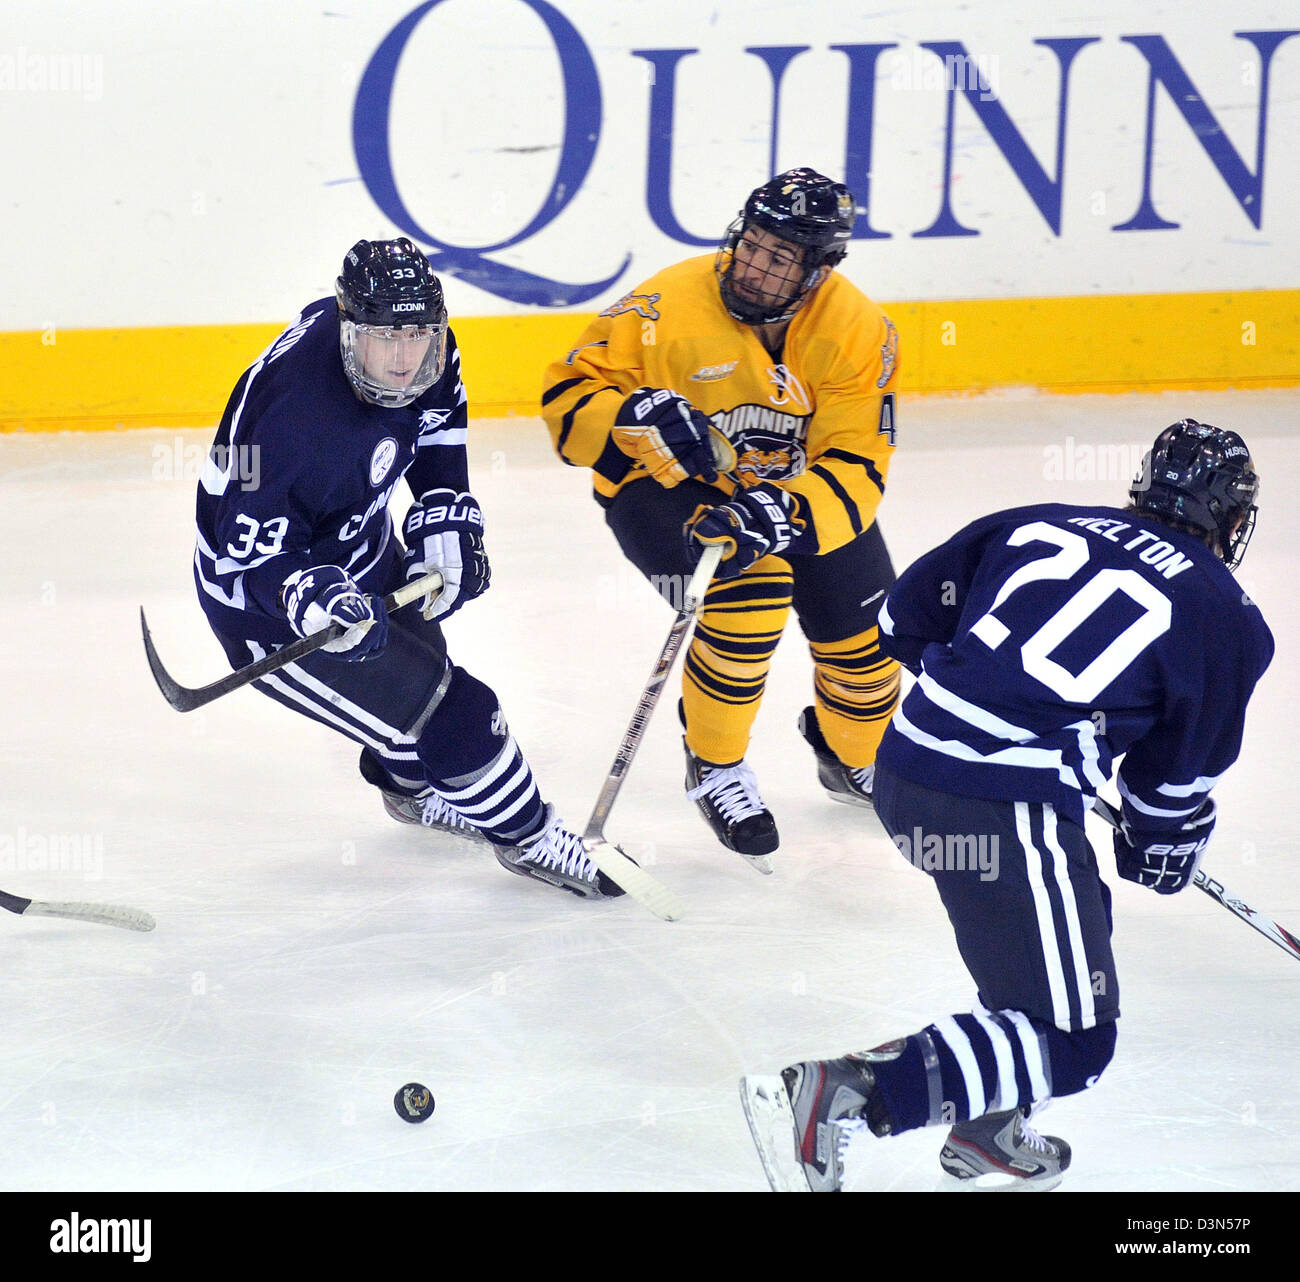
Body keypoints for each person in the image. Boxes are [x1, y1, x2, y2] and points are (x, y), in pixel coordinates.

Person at [739, 419, 1274, 1192]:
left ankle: (990, 1127)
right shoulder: (1228, 618)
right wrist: (1161, 848)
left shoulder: (1036, 522)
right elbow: (1167, 792)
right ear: (1231, 520)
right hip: (1000, 809)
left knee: (1066, 937)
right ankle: (841, 1093)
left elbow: (899, 622)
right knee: (1073, 1039)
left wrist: (985, 693)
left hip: (904, 776)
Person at [193, 237, 621, 901]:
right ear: (348, 331)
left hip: (363, 548)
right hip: (270, 615)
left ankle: (412, 791)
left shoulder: (430, 348)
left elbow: (439, 418)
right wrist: (305, 593)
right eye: (385, 337)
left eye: (418, 335)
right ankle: (532, 838)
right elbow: (246, 556)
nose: (403, 357)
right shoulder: (293, 421)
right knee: (458, 713)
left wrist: (447, 507)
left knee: (425, 665)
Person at [542, 168, 901, 872]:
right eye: (753, 244)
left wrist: (788, 510)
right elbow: (564, 402)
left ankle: (845, 753)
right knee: (750, 597)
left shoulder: (860, 331)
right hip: (665, 486)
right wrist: (627, 415)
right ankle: (714, 766)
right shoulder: (660, 307)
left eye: (781, 257)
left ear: (819, 270)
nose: (755, 267)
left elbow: (859, 462)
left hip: (793, 496)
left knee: (869, 641)